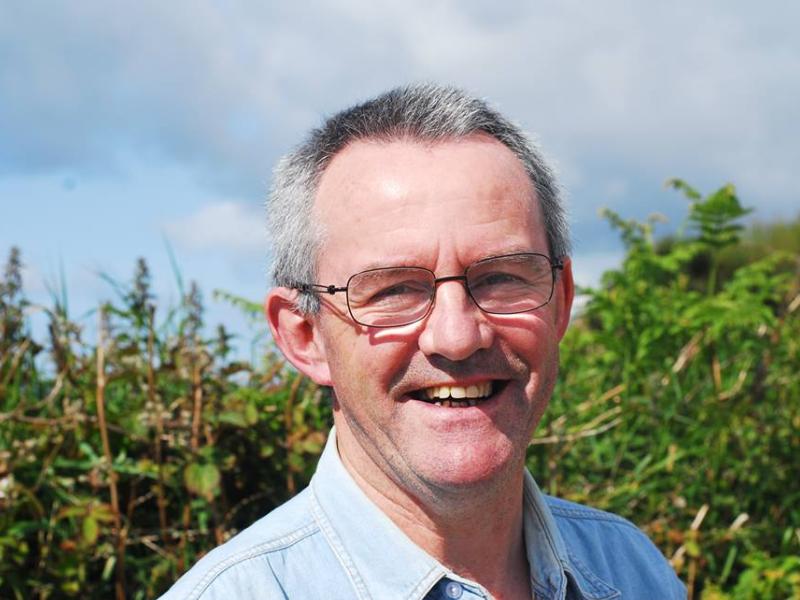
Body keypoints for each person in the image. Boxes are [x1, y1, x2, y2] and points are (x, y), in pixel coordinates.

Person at [161, 84, 686, 599]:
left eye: (501, 277)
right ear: (305, 336)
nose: (457, 337)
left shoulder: (630, 570)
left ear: (561, 302)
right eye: (394, 289)